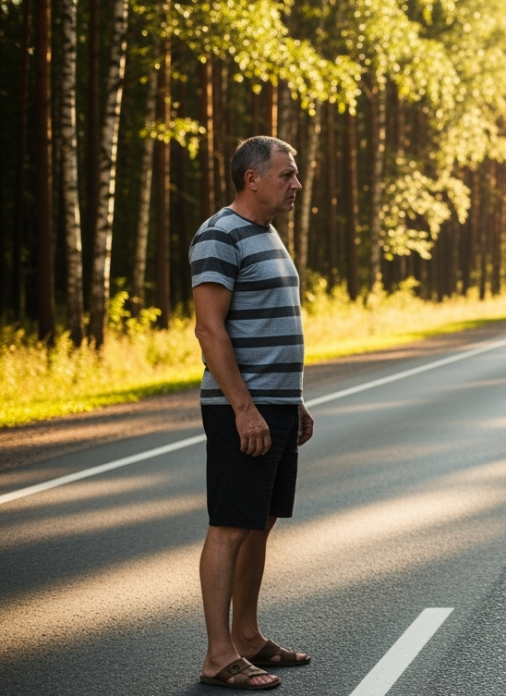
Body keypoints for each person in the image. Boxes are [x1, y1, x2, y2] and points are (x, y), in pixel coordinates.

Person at [191, 136, 314, 690]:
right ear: (252, 178)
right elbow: (209, 329)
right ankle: (219, 655)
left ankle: (247, 638)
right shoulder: (220, 234)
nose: (296, 184)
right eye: (287, 175)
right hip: (243, 408)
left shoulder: (265, 234)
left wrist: (295, 400)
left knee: (259, 524)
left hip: (276, 406)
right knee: (229, 526)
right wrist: (244, 408)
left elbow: (268, 323)